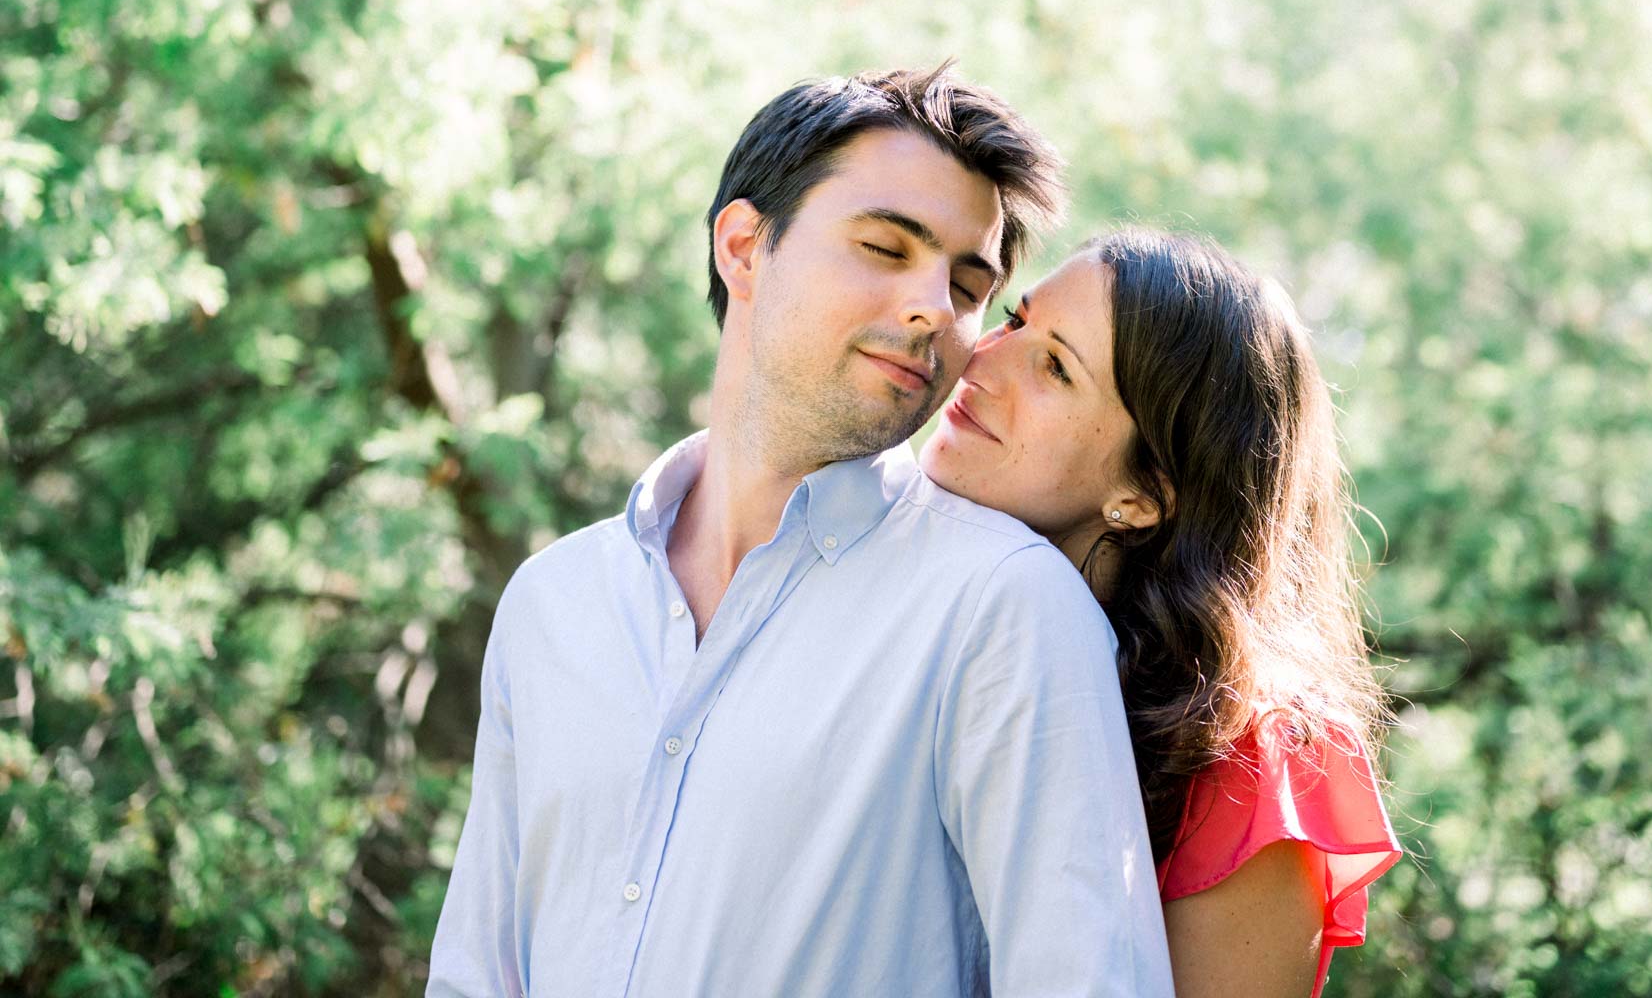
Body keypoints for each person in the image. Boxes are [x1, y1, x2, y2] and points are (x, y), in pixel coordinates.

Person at [427, 67, 1174, 996]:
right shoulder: (552, 603)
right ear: (744, 247)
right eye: (884, 247)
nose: (935, 309)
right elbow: (475, 975)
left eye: (966, 283)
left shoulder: (1004, 609)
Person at [921, 228, 1402, 998]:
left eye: (1054, 367)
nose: (980, 363)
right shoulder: (930, 603)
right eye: (1015, 319)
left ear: (1143, 496)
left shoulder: (1251, 756)